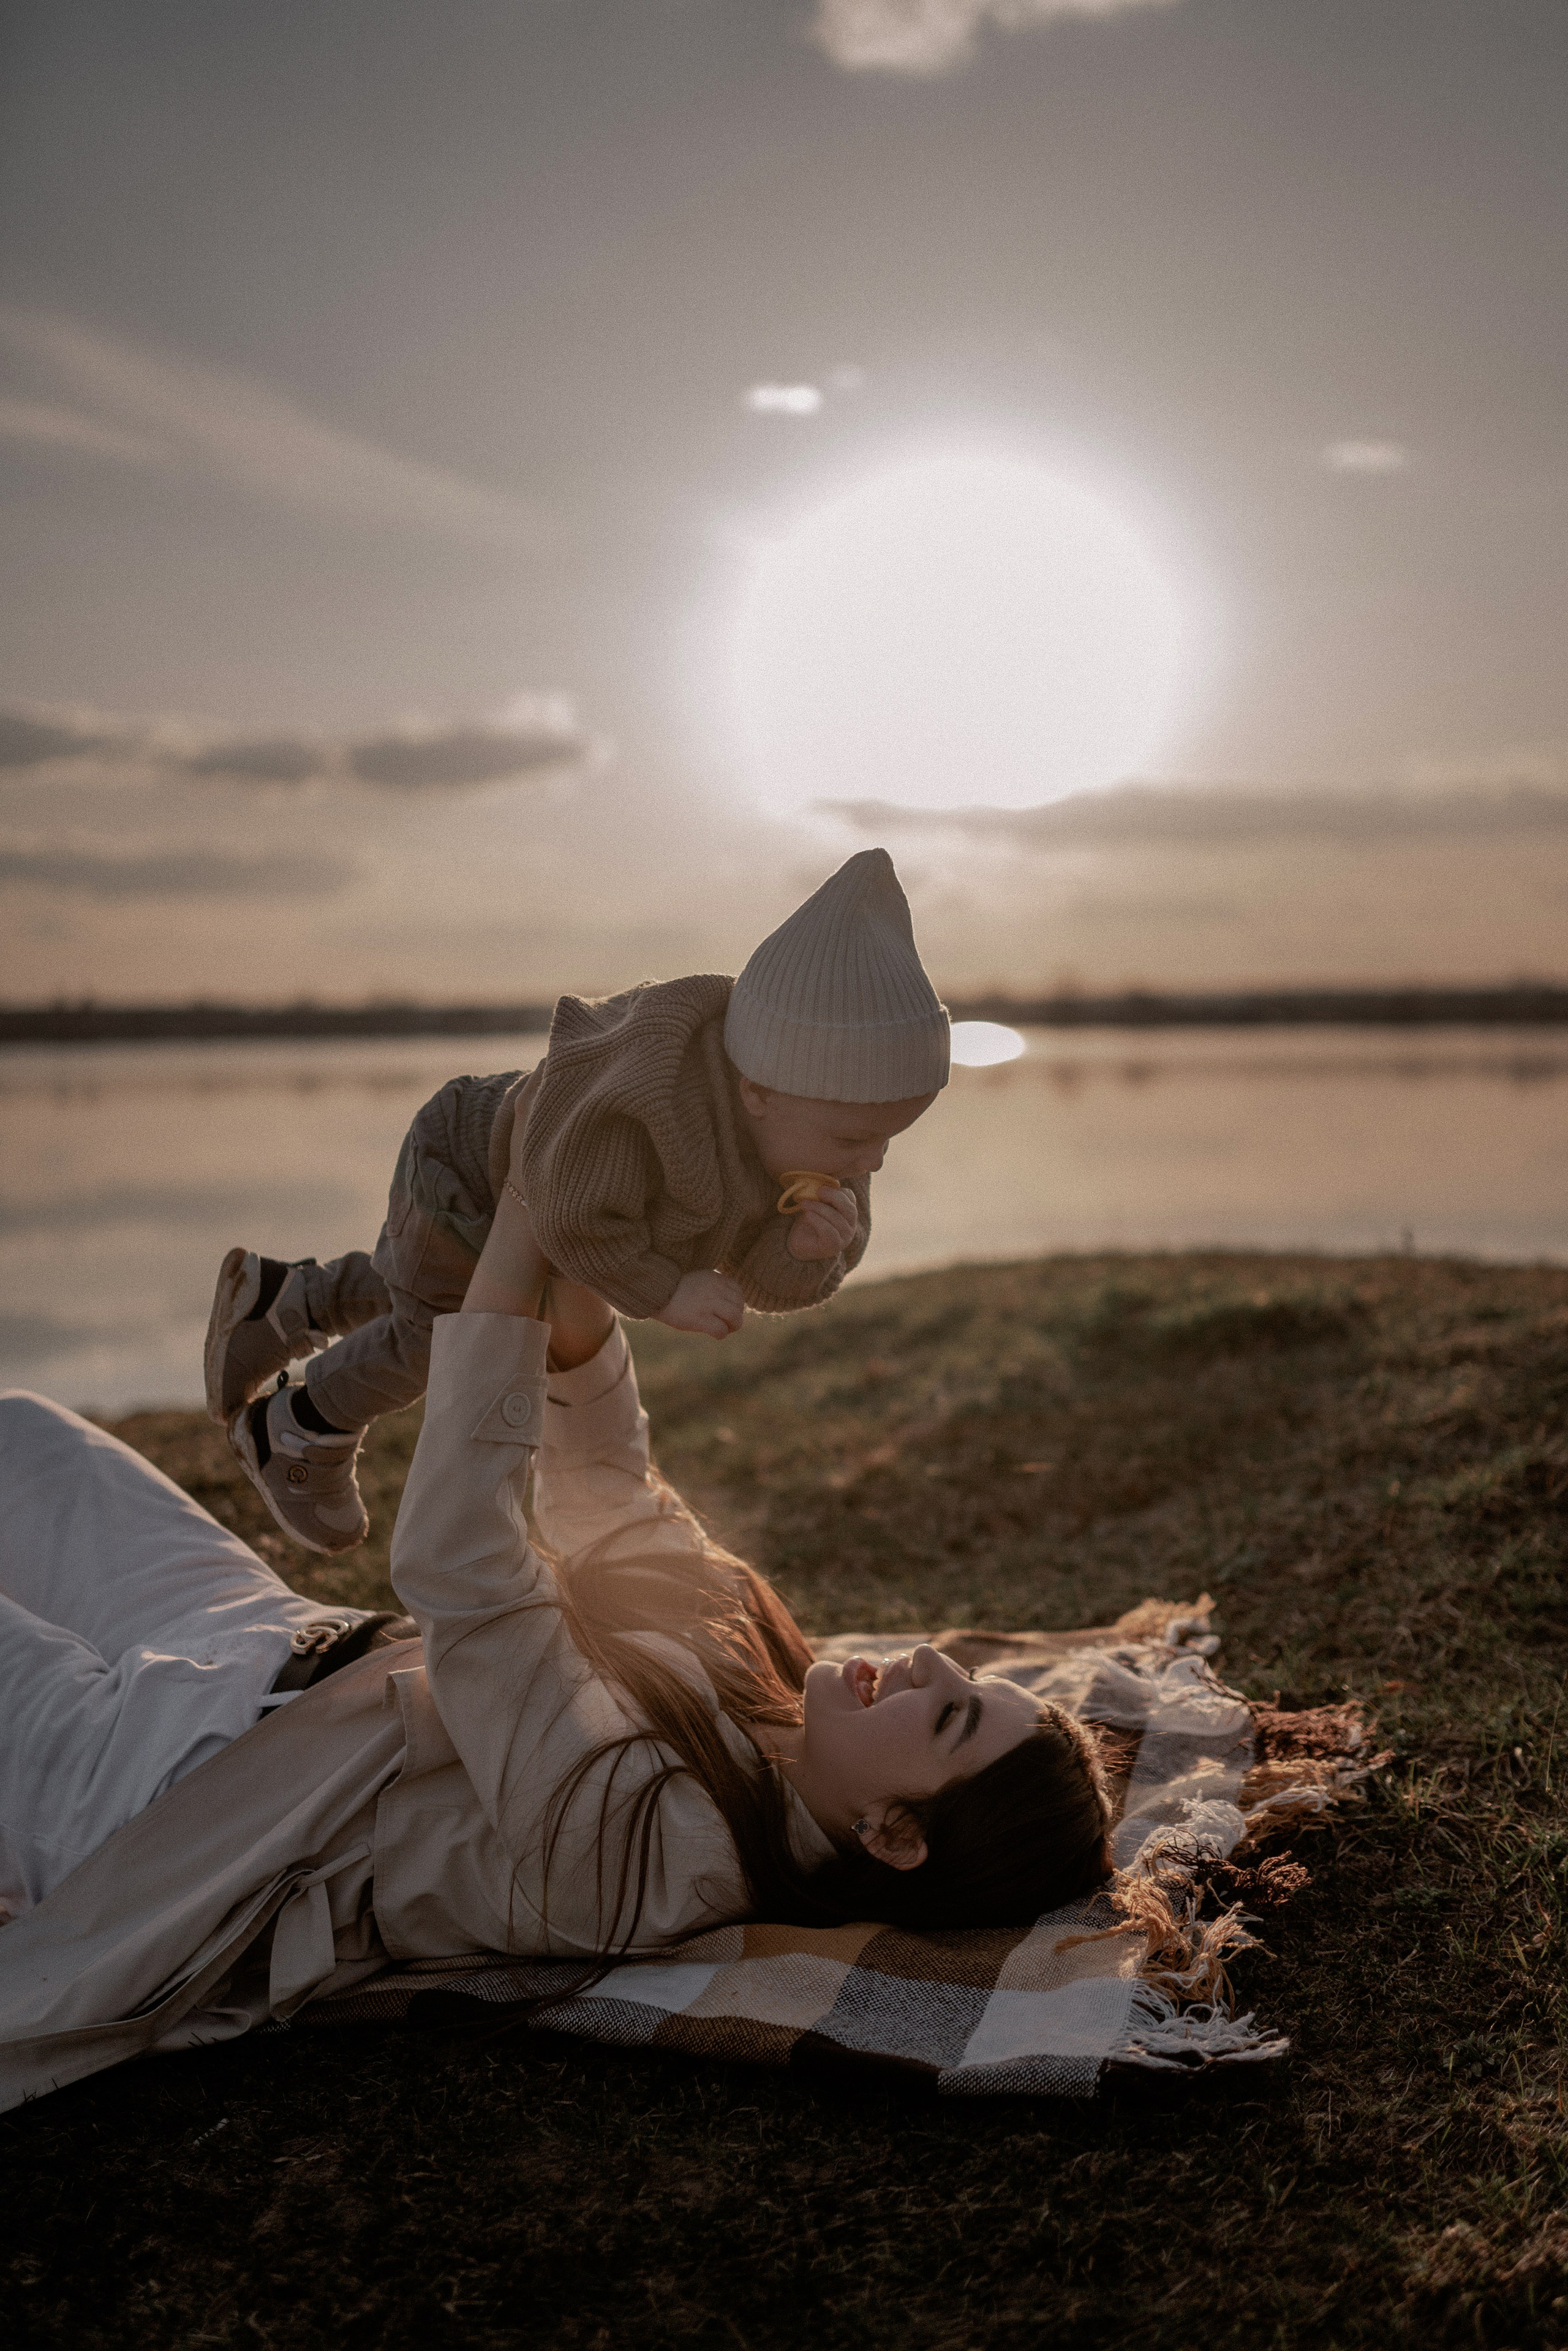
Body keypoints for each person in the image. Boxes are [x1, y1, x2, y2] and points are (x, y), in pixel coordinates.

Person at [0, 1142, 1112, 2116]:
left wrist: (512, 1269)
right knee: (26, 1436)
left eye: (950, 1712)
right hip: (284, 1647)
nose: (925, 1659)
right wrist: (580, 1242)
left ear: (894, 1833)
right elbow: (612, 1496)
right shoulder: (774, 1691)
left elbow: (468, 1576)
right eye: (956, 1672)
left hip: (186, 1789)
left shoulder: (674, 1857)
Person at [205, 847, 949, 1555]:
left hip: (529, 1195)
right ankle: (295, 1426)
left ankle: (285, 1300)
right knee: (450, 1328)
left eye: (891, 1138)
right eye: (857, 1140)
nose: (872, 1159)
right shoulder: (646, 1095)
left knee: (429, 1276)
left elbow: (760, 1280)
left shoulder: (825, 1135)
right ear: (757, 1091)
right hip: (469, 1163)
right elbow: (566, 1220)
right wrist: (663, 1291)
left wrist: (803, 1252)